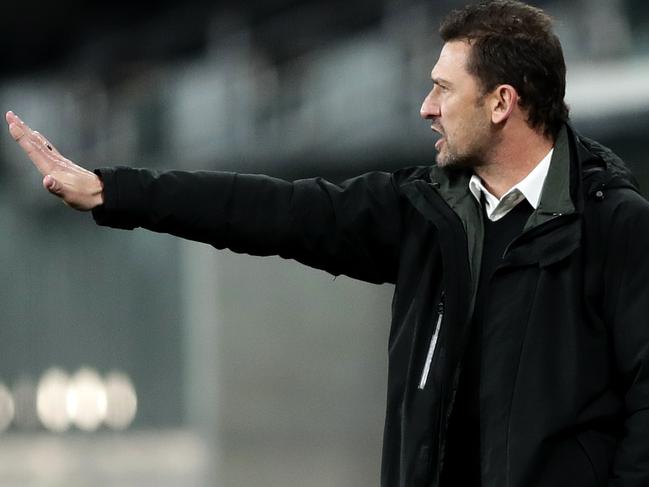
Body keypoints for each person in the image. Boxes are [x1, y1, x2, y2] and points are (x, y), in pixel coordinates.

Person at [6, 1, 649, 485]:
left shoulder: (616, 229)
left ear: (502, 101)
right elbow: (272, 211)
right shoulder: (423, 213)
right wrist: (112, 190)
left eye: (444, 89)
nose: (425, 107)